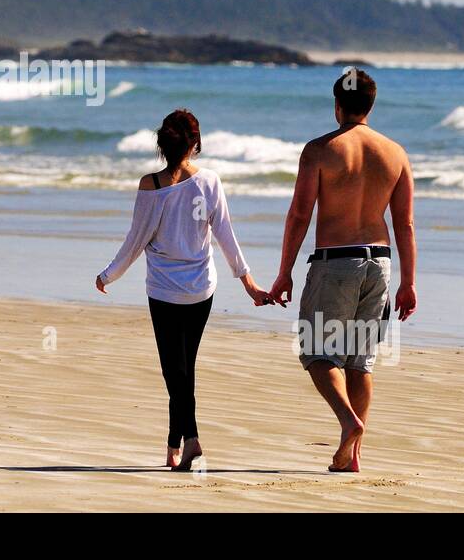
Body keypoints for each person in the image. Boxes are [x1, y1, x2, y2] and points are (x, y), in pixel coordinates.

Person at [263, 69, 418, 472]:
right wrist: (409, 282)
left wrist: (284, 272)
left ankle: (349, 423)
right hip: (380, 263)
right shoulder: (395, 153)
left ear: (337, 106)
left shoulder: (319, 150)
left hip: (337, 261)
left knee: (315, 351)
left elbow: (299, 215)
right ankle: (352, 455)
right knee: (359, 360)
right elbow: (405, 224)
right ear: (371, 104)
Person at [95, 109, 265, 470]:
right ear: (195, 144)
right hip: (202, 289)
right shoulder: (211, 182)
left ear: (162, 145)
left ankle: (191, 439)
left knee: (176, 371)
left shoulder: (151, 186)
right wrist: (247, 281)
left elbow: (136, 240)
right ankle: (174, 447)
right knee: (182, 368)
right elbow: (226, 235)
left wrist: (109, 275)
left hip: (165, 291)